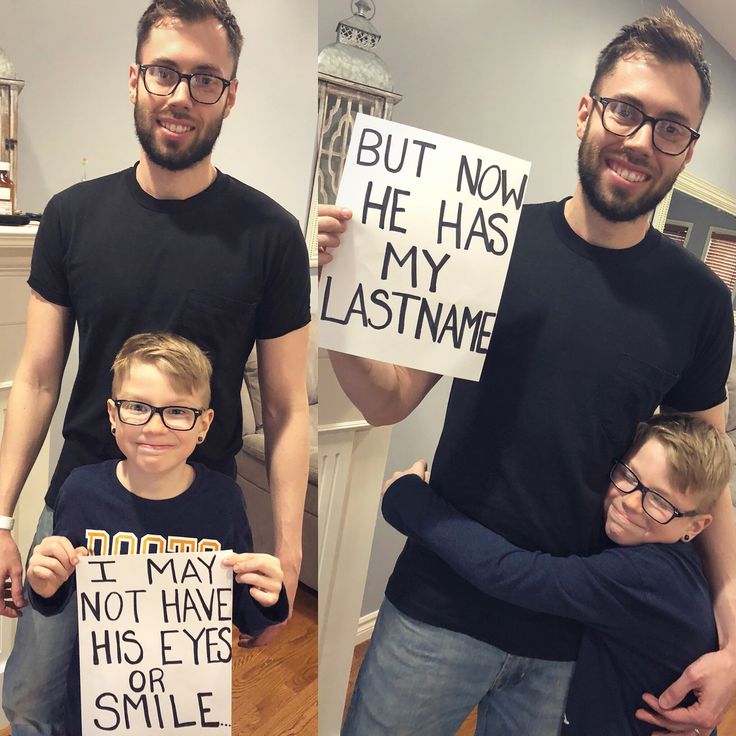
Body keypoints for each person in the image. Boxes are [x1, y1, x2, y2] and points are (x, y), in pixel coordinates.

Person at [319, 10, 736, 736]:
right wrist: (334, 302)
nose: (641, 140)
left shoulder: (702, 302)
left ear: (686, 148)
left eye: (670, 128)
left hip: (573, 635)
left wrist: (733, 627)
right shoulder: (489, 240)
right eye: (625, 110)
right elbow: (387, 401)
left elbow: (709, 477)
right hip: (437, 609)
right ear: (587, 110)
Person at [0, 1, 310, 733]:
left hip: (198, 516)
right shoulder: (72, 216)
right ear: (134, 78)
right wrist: (0, 515)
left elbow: (291, 407)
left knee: (160, 719)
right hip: (80, 506)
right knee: (33, 701)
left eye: (206, 79)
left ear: (231, 94)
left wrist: (288, 555)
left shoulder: (272, 236)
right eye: (165, 71)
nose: (180, 95)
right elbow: (39, 377)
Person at [380, 413, 729, 736]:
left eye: (660, 502)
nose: (630, 502)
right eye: (629, 476)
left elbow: (512, 574)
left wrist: (408, 500)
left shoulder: (646, 575)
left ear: (696, 526)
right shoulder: (679, 567)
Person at [26, 332, 289, 736]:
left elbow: (242, 614)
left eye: (178, 411)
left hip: (185, 713)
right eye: (137, 407)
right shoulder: (80, 492)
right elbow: (59, 598)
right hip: (99, 708)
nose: (155, 426)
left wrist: (269, 597)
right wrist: (44, 585)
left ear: (204, 424)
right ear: (113, 415)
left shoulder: (223, 502)